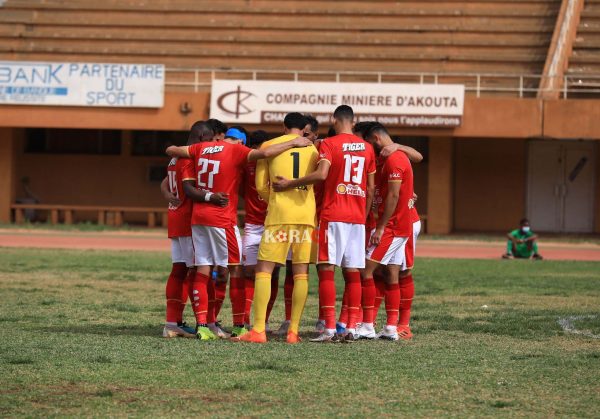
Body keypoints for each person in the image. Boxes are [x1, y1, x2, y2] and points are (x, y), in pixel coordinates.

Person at [165, 121, 311, 341]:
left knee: (203, 269)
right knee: (236, 270)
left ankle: (203, 326)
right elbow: (266, 152)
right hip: (221, 217)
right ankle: (239, 326)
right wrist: (294, 142)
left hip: (198, 219)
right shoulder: (234, 150)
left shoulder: (200, 148)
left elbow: (172, 150)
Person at [273, 105, 376, 342]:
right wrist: (363, 213)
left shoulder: (330, 144)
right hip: (357, 218)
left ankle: (329, 329)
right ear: (354, 120)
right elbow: (370, 188)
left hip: (333, 214)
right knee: (353, 272)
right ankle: (349, 326)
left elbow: (321, 175)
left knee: (326, 269)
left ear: (334, 119)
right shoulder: (368, 149)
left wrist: (291, 182)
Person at [234, 112, 319, 344]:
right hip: (305, 217)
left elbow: (260, 186)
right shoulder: (313, 150)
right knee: (301, 272)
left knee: (264, 269)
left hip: (279, 216)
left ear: (284, 127)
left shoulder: (269, 146)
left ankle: (259, 330)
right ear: (303, 129)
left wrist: (272, 199)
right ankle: (293, 332)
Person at [161, 121, 218, 339]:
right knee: (198, 272)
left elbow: (165, 183)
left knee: (179, 271)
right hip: (188, 221)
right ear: (203, 137)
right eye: (211, 140)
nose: (213, 145)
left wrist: (167, 195)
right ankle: (203, 323)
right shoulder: (188, 157)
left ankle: (171, 323)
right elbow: (189, 188)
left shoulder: (175, 157)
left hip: (175, 218)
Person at [361, 123, 415, 341]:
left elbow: (394, 196)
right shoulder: (390, 157)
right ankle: (391, 328)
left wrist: (381, 227)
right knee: (390, 273)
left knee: (366, 270)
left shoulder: (395, 159)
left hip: (392, 227)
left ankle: (366, 325)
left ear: (375, 138)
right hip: (396, 226)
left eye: (368, 143)